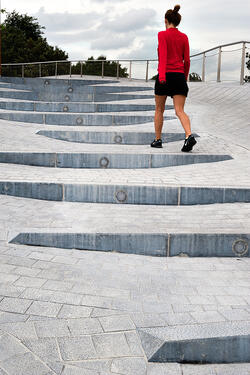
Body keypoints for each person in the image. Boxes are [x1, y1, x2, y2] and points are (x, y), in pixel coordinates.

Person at [151, 4, 197, 152]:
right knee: (179, 110)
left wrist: (163, 76)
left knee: (159, 109)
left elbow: (163, 56)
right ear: (177, 22)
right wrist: (184, 77)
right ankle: (188, 135)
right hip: (178, 76)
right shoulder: (184, 37)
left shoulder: (162, 35)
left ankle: (158, 140)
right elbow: (187, 60)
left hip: (165, 75)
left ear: (166, 21)